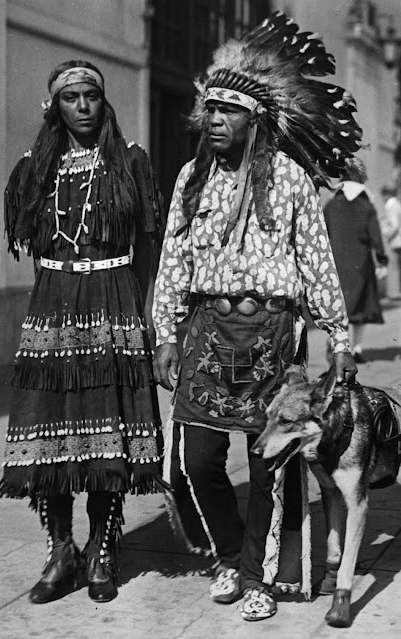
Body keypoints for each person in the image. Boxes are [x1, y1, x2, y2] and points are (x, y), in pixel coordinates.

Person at [152, 11, 359, 623]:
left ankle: (258, 576)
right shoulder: (191, 179)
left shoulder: (291, 180)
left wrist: (339, 339)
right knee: (192, 462)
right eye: (209, 110)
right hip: (206, 335)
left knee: (270, 463)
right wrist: (165, 333)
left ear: (255, 118)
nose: (214, 120)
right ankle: (223, 555)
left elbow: (318, 263)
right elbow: (172, 259)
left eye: (228, 111)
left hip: (272, 337)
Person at [0, 60, 165, 604]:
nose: (83, 106)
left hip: (114, 303)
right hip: (55, 308)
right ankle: (61, 549)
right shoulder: (33, 169)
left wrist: (148, 316)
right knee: (49, 437)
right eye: (72, 98)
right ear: (55, 107)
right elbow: (30, 242)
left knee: (108, 434)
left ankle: (103, 550)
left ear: (103, 100)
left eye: (92, 95)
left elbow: (150, 248)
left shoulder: (130, 162)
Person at [324, 179, 388, 364]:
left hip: (335, 262)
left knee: (338, 305)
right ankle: (356, 347)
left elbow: (323, 233)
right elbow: (375, 235)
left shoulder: (331, 205)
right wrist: (382, 260)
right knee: (361, 305)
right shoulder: (366, 206)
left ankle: (334, 342)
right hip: (361, 262)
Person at [381, 185, 401, 293]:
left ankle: (396, 292)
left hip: (396, 242)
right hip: (398, 241)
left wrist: (386, 234)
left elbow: (394, 225)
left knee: (396, 268)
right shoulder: (397, 204)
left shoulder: (391, 206)